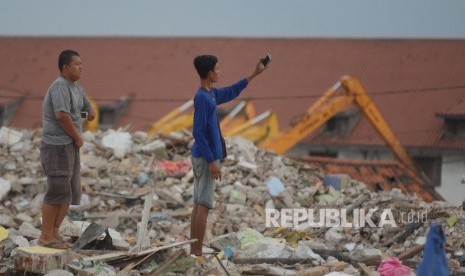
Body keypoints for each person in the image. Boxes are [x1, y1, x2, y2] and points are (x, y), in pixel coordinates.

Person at [190, 55, 268, 260]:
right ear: (209, 74)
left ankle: (194, 248)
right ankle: (196, 251)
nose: (219, 71)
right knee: (204, 204)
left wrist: (253, 75)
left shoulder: (211, 94)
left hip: (202, 157)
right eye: (217, 69)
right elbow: (198, 132)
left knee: (199, 202)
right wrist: (212, 161)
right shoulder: (203, 98)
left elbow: (230, 91)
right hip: (205, 159)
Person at [39, 49, 96, 249]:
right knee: (57, 190)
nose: (81, 67)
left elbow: (87, 105)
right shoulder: (59, 87)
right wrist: (77, 137)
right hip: (57, 146)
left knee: (68, 192)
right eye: (77, 64)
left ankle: (54, 232)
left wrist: (90, 112)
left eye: (82, 64)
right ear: (65, 67)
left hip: (69, 146)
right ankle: (46, 235)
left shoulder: (76, 87)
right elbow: (61, 116)